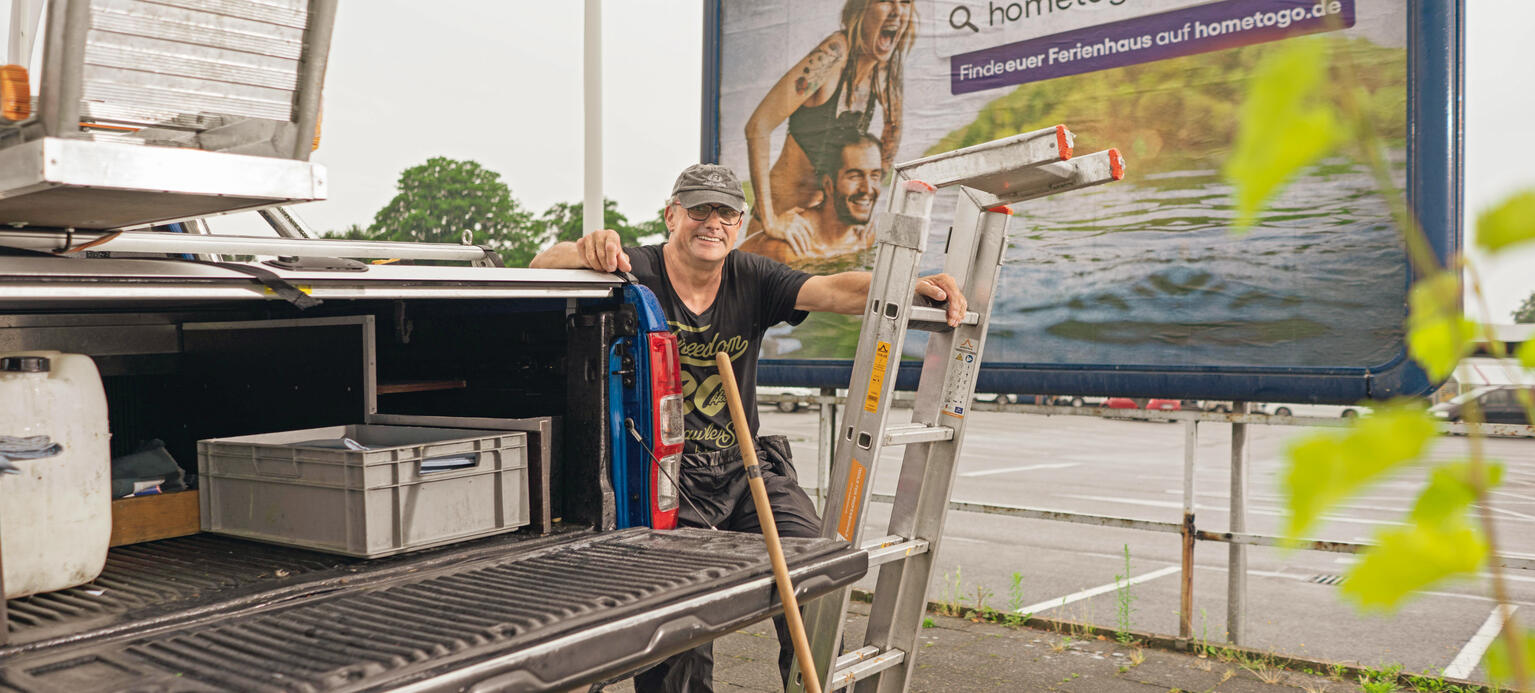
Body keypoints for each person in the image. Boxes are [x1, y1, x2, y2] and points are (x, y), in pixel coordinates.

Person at [530, 163, 964, 692]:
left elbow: (835, 291)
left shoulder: (753, 277)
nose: (712, 223)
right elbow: (541, 263)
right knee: (681, 624)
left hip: (746, 468)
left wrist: (909, 286)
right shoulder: (635, 268)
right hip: (667, 478)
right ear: (672, 215)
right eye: (698, 210)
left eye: (726, 213)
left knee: (813, 571)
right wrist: (585, 249)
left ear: (739, 225)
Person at [744, 0, 914, 259]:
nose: (897, 11)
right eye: (886, 1)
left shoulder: (884, 70)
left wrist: (866, 201)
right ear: (862, 8)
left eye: (905, 2)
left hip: (822, 229)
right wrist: (770, 220)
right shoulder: (835, 53)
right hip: (782, 224)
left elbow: (893, 132)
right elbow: (758, 126)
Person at [739, 126, 883, 264]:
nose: (868, 189)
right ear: (828, 185)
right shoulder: (792, 248)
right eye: (855, 176)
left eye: (875, 176)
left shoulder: (865, 238)